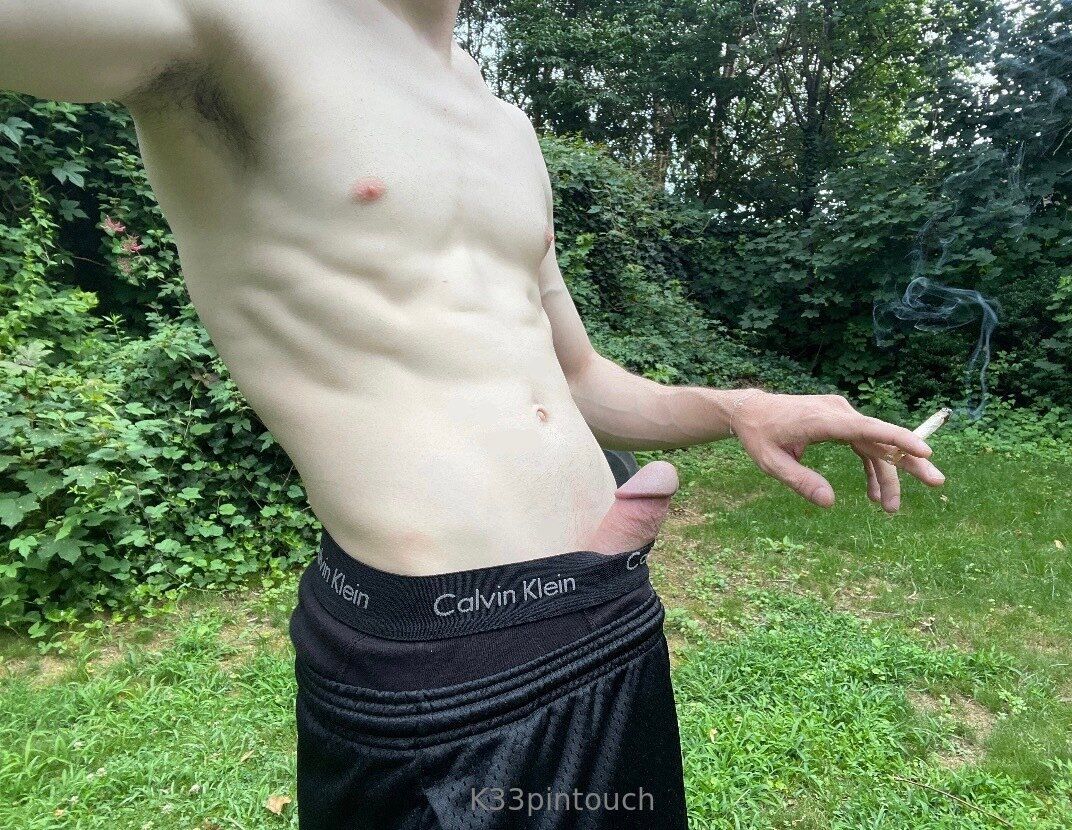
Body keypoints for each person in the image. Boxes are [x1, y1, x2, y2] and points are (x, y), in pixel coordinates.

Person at [1, 2, 945, 827]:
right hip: (435, 671)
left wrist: (738, 407)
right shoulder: (230, 24)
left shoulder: (505, 125)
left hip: (607, 614)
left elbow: (578, 377)